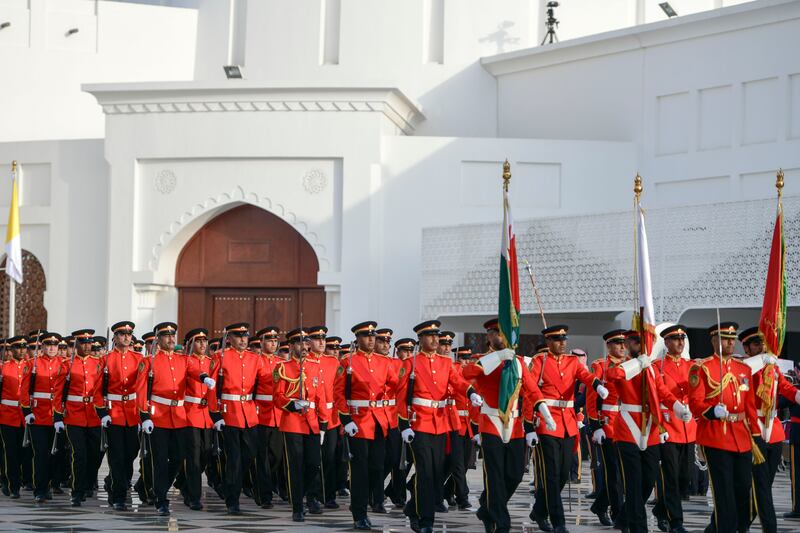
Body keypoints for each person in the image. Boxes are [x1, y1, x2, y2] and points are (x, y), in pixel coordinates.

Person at [462, 318, 549, 533]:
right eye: (496, 333)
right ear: (489, 337)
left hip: (515, 424)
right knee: (495, 474)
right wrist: (496, 357)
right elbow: (466, 374)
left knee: (515, 473)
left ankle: (488, 506)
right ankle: (501, 521)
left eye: (503, 333)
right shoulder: (483, 360)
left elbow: (531, 388)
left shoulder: (518, 361)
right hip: (491, 422)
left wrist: (543, 408)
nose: (500, 337)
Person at [396, 320, 477, 533]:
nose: (434, 339)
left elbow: (457, 381)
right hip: (419, 424)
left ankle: (413, 508)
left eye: (436, 335)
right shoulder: (410, 363)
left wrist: (470, 392)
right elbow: (401, 398)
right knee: (424, 472)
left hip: (440, 424)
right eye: (429, 336)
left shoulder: (445, 363)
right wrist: (404, 425)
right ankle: (426, 520)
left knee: (436, 473)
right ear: (420, 339)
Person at [528, 325, 609, 533]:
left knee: (564, 473)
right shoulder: (540, 362)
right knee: (552, 475)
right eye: (557, 339)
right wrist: (529, 425)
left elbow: (585, 375)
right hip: (548, 423)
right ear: (548, 342)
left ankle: (539, 510)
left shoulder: (572, 362)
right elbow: (530, 390)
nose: (562, 343)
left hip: (568, 424)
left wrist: (597, 384)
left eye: (564, 339)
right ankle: (558, 522)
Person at [687, 322, 761, 533]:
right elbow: (695, 403)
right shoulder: (701, 367)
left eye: (732, 339)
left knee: (743, 488)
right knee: (724, 492)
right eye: (724, 339)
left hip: (742, 436)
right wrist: (712, 412)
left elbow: (750, 406)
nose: (730, 343)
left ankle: (734, 527)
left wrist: (756, 434)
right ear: (714, 340)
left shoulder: (743, 368)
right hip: (716, 436)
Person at [136, 322, 215, 516]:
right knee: (160, 460)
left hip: (179, 417)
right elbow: (140, 390)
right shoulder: (149, 361)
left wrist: (204, 377)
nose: (171, 339)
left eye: (173, 336)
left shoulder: (183, 359)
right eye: (166, 336)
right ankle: (161, 499)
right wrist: (144, 416)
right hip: (158, 417)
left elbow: (194, 370)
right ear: (158, 340)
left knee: (179, 458)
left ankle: (159, 487)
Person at [334, 321, 399, 529]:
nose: (371, 339)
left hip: (379, 421)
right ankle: (359, 513)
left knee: (377, 466)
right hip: (359, 422)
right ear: (358, 339)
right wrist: (346, 420)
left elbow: (393, 385)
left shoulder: (383, 362)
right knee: (360, 470)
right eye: (366, 336)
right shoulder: (347, 362)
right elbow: (338, 394)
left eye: (373, 336)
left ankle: (373, 499)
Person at [740, 326, 800, 533]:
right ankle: (770, 528)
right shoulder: (743, 367)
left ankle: (739, 523)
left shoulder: (771, 367)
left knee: (764, 485)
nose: (762, 346)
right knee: (761, 487)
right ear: (746, 348)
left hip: (773, 431)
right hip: (754, 430)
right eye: (757, 343)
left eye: (763, 343)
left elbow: (785, 387)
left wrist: (798, 395)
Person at [207, 322, 269, 514]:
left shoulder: (254, 358)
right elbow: (211, 388)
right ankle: (232, 500)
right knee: (234, 458)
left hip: (249, 413)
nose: (243, 339)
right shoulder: (220, 357)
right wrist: (215, 413)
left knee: (249, 455)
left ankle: (230, 486)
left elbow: (265, 382)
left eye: (245, 336)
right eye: (238, 336)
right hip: (229, 412)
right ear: (229, 338)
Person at [273, 327, 328, 522]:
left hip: (312, 421)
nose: (304, 347)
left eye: (306, 343)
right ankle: (297, 506)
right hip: (293, 422)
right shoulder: (283, 368)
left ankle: (308, 495)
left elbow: (321, 396)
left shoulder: (314, 366)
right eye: (299, 343)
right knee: (295, 465)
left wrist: (323, 423)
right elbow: (277, 397)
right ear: (291, 346)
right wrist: (292, 405)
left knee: (313, 463)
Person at [652, 325, 695, 533]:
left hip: (688, 428)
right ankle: (676, 522)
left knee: (684, 478)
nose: (680, 343)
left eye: (682, 339)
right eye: (675, 339)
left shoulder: (691, 365)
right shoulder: (657, 366)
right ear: (666, 343)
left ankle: (661, 510)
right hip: (669, 426)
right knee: (671, 477)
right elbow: (659, 395)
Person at [100, 321, 142, 511]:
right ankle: (119, 495)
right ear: (115, 337)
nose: (127, 337)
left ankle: (118, 482)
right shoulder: (106, 359)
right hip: (114, 412)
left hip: (132, 412)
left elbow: (143, 388)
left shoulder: (139, 359)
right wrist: (102, 412)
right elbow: (96, 389)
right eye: (122, 334)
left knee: (130, 453)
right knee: (116, 456)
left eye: (129, 334)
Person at [586, 330, 625, 528]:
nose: (622, 347)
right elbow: (592, 399)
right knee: (613, 472)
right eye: (618, 343)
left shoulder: (628, 365)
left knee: (623, 471)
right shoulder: (599, 365)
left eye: (624, 343)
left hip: (627, 423)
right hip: (608, 423)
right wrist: (596, 426)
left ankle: (601, 505)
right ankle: (617, 512)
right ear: (609, 345)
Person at [20, 331, 63, 503]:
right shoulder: (32, 364)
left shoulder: (65, 364)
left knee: (56, 454)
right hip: (38, 416)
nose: (52, 348)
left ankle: (51, 483)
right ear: (43, 346)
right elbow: (24, 390)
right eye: (48, 345)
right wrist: (27, 411)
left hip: (57, 416)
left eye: (55, 345)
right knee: (40, 454)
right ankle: (40, 489)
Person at [180, 327, 216, 510]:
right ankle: (193, 496)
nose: (202, 344)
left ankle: (185, 484)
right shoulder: (186, 361)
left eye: (204, 341)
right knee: (193, 456)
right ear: (190, 344)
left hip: (207, 414)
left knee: (206, 453)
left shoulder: (212, 362)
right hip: (190, 412)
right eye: (198, 341)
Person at [0, 336, 29, 499]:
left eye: (24, 347)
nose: (22, 350)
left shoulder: (30, 366)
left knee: (23, 452)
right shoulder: (4, 367)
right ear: (11, 350)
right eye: (18, 347)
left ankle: (17, 480)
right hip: (7, 415)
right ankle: (11, 484)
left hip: (24, 415)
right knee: (9, 452)